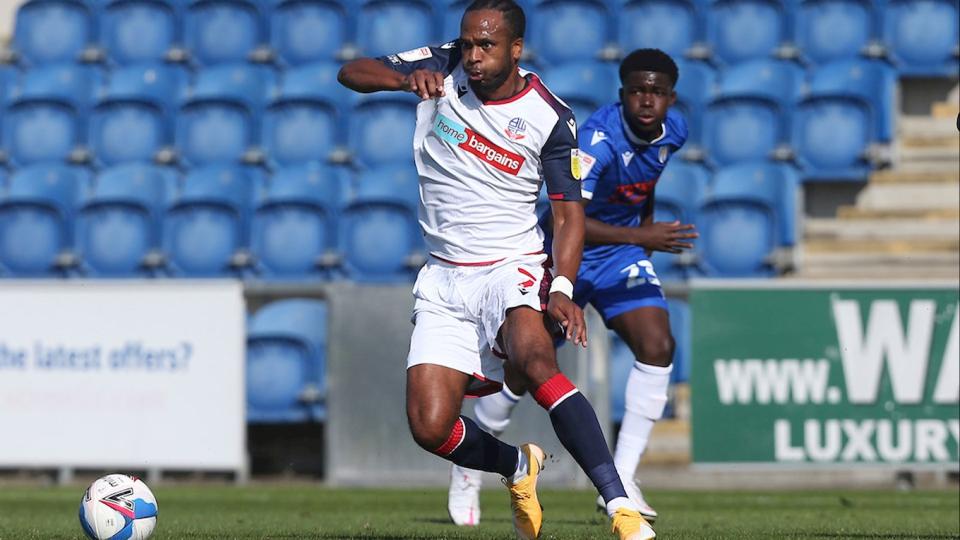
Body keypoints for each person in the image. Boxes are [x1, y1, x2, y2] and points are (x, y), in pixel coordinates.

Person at [337, 1, 654, 539]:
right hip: (444, 275)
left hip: (511, 266)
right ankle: (517, 465)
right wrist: (402, 78)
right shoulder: (442, 63)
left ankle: (619, 504)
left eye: (486, 44)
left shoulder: (550, 116)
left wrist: (561, 287)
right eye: (468, 44)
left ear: (515, 48)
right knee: (429, 426)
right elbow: (351, 72)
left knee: (536, 360)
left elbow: (568, 216)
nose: (473, 55)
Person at [447, 48, 695, 527]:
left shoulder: (675, 132)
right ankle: (469, 466)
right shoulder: (597, 142)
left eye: (658, 92)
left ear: (671, 97)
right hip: (567, 254)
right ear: (622, 94)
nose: (647, 100)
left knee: (658, 345)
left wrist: (641, 234)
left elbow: (644, 184)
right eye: (638, 91)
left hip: (619, 255)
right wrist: (643, 236)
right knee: (523, 370)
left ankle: (623, 477)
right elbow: (570, 220)